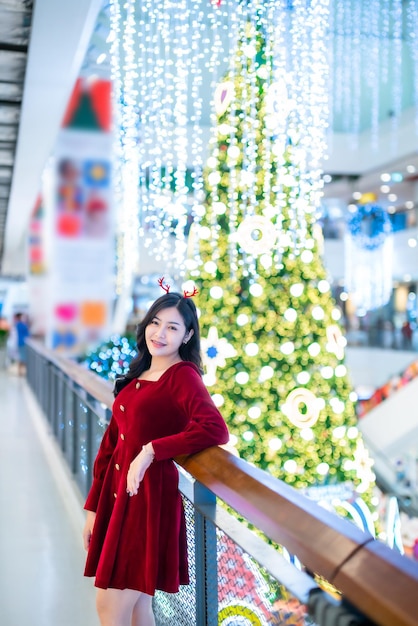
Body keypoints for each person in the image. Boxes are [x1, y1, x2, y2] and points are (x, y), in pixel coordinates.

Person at [82, 289, 229, 626]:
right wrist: (93, 507)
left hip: (146, 502)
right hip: (118, 498)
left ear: (188, 335)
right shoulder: (140, 373)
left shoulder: (183, 377)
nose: (160, 334)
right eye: (155, 323)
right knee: (136, 607)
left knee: (110, 604)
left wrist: (152, 450)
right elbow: (111, 446)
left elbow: (215, 429)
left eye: (173, 328)